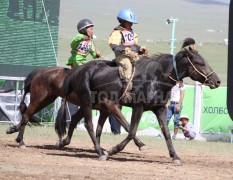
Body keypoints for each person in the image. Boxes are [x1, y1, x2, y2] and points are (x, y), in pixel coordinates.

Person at [107, 8, 148, 134]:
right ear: (123, 21)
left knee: (144, 65)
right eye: (129, 22)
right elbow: (113, 45)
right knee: (128, 67)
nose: (131, 24)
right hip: (122, 57)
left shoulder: (131, 32)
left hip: (132, 55)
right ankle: (126, 91)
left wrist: (141, 49)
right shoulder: (117, 32)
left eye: (132, 23)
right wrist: (126, 51)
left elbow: (134, 45)